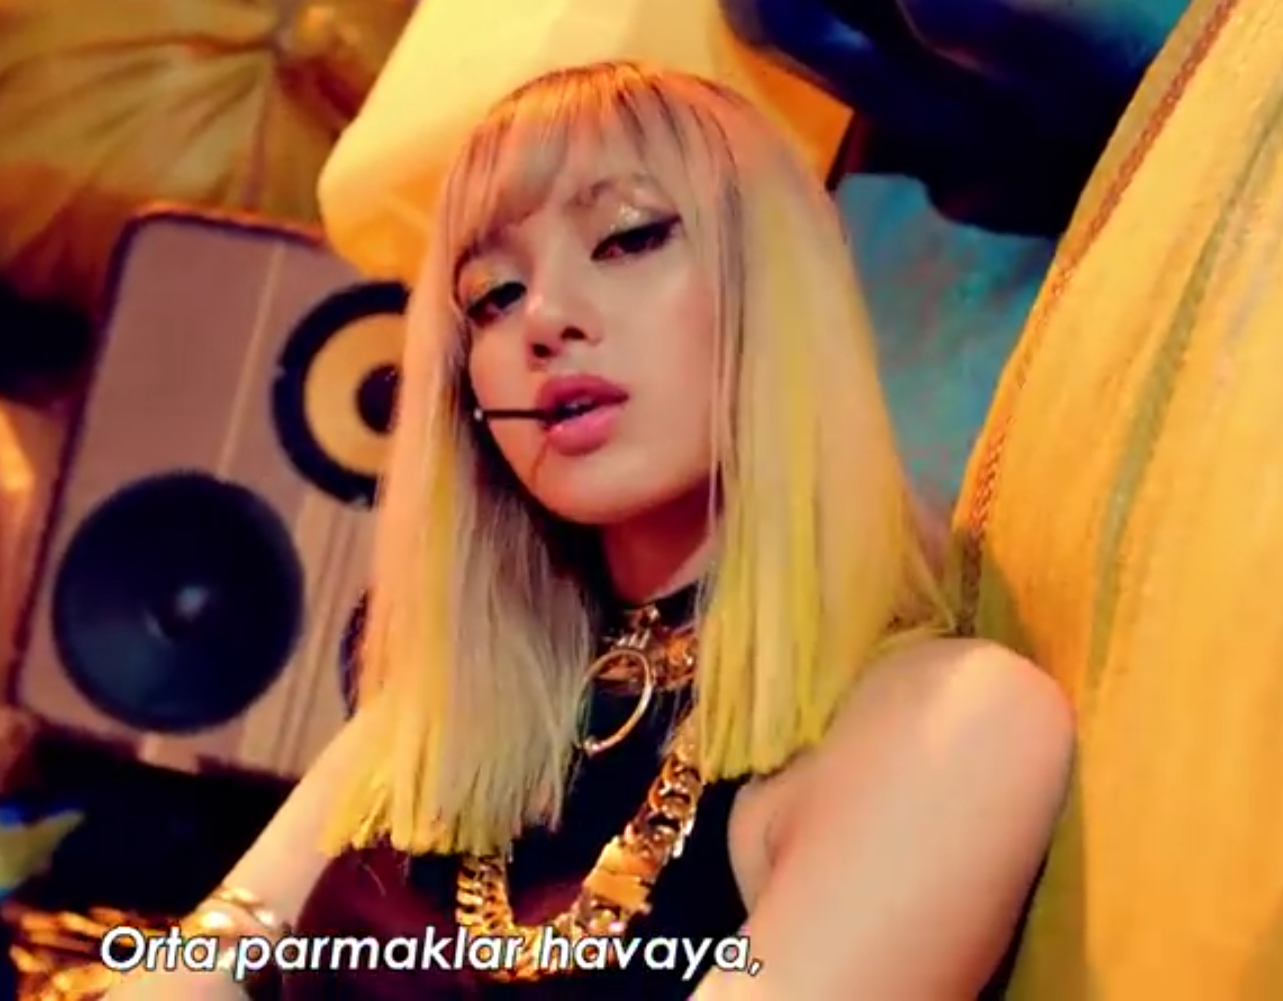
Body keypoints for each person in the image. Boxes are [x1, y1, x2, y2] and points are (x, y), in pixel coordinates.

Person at [105, 61, 1073, 999]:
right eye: (493, 296)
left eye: (627, 237)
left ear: (779, 285)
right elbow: (199, 966)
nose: (545, 319)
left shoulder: (953, 725)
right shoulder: (451, 704)